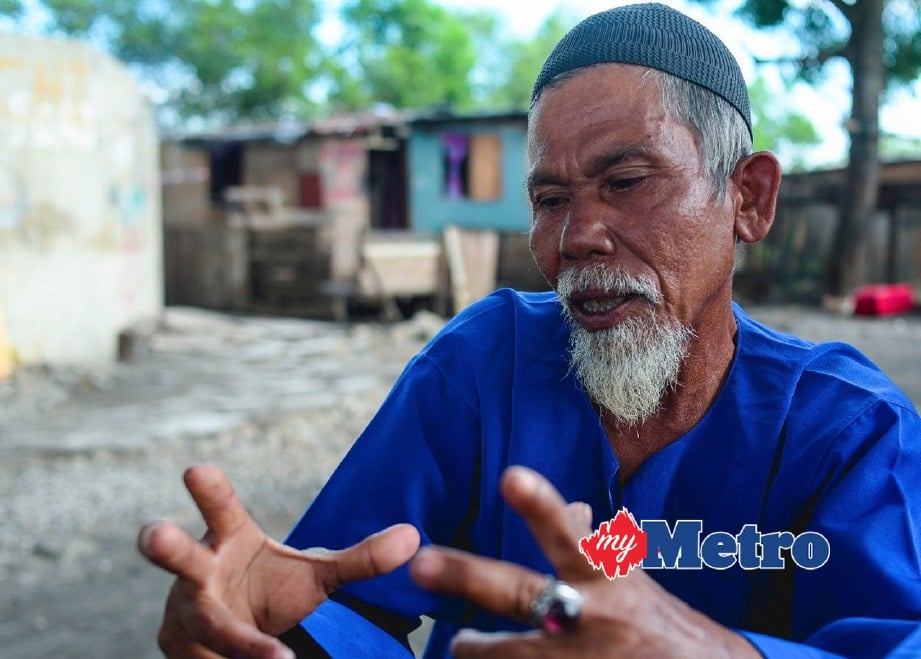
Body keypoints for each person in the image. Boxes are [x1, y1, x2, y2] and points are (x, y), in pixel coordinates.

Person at [138, 3, 921, 658]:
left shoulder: (849, 430)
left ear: (747, 198)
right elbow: (346, 599)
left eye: (625, 181)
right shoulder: (484, 364)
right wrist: (267, 631)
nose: (576, 235)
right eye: (549, 198)